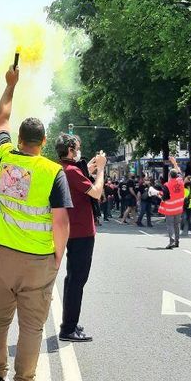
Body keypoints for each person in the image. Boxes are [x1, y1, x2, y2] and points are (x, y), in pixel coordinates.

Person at [0, 65, 72, 381]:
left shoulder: (2, 157)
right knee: (32, 327)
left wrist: (10, 86)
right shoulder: (53, 172)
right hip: (38, 260)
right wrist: (58, 256)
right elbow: (61, 220)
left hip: (2, 254)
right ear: (44, 142)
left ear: (18, 140)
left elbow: (1, 118)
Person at [55, 134, 106, 343]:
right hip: (81, 231)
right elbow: (95, 192)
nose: (79, 150)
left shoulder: (63, 168)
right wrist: (101, 169)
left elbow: (81, 178)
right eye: (77, 147)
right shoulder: (72, 171)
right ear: (69, 149)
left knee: (72, 279)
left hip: (71, 230)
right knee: (77, 280)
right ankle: (68, 328)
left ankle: (70, 322)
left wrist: (92, 166)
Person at [159, 158, 185, 249]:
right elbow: (179, 171)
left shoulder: (167, 185)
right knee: (177, 224)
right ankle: (177, 241)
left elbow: (164, 197)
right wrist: (174, 163)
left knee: (170, 225)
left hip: (170, 208)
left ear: (170, 175)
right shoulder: (181, 181)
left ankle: (172, 241)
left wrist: (158, 195)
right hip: (179, 208)